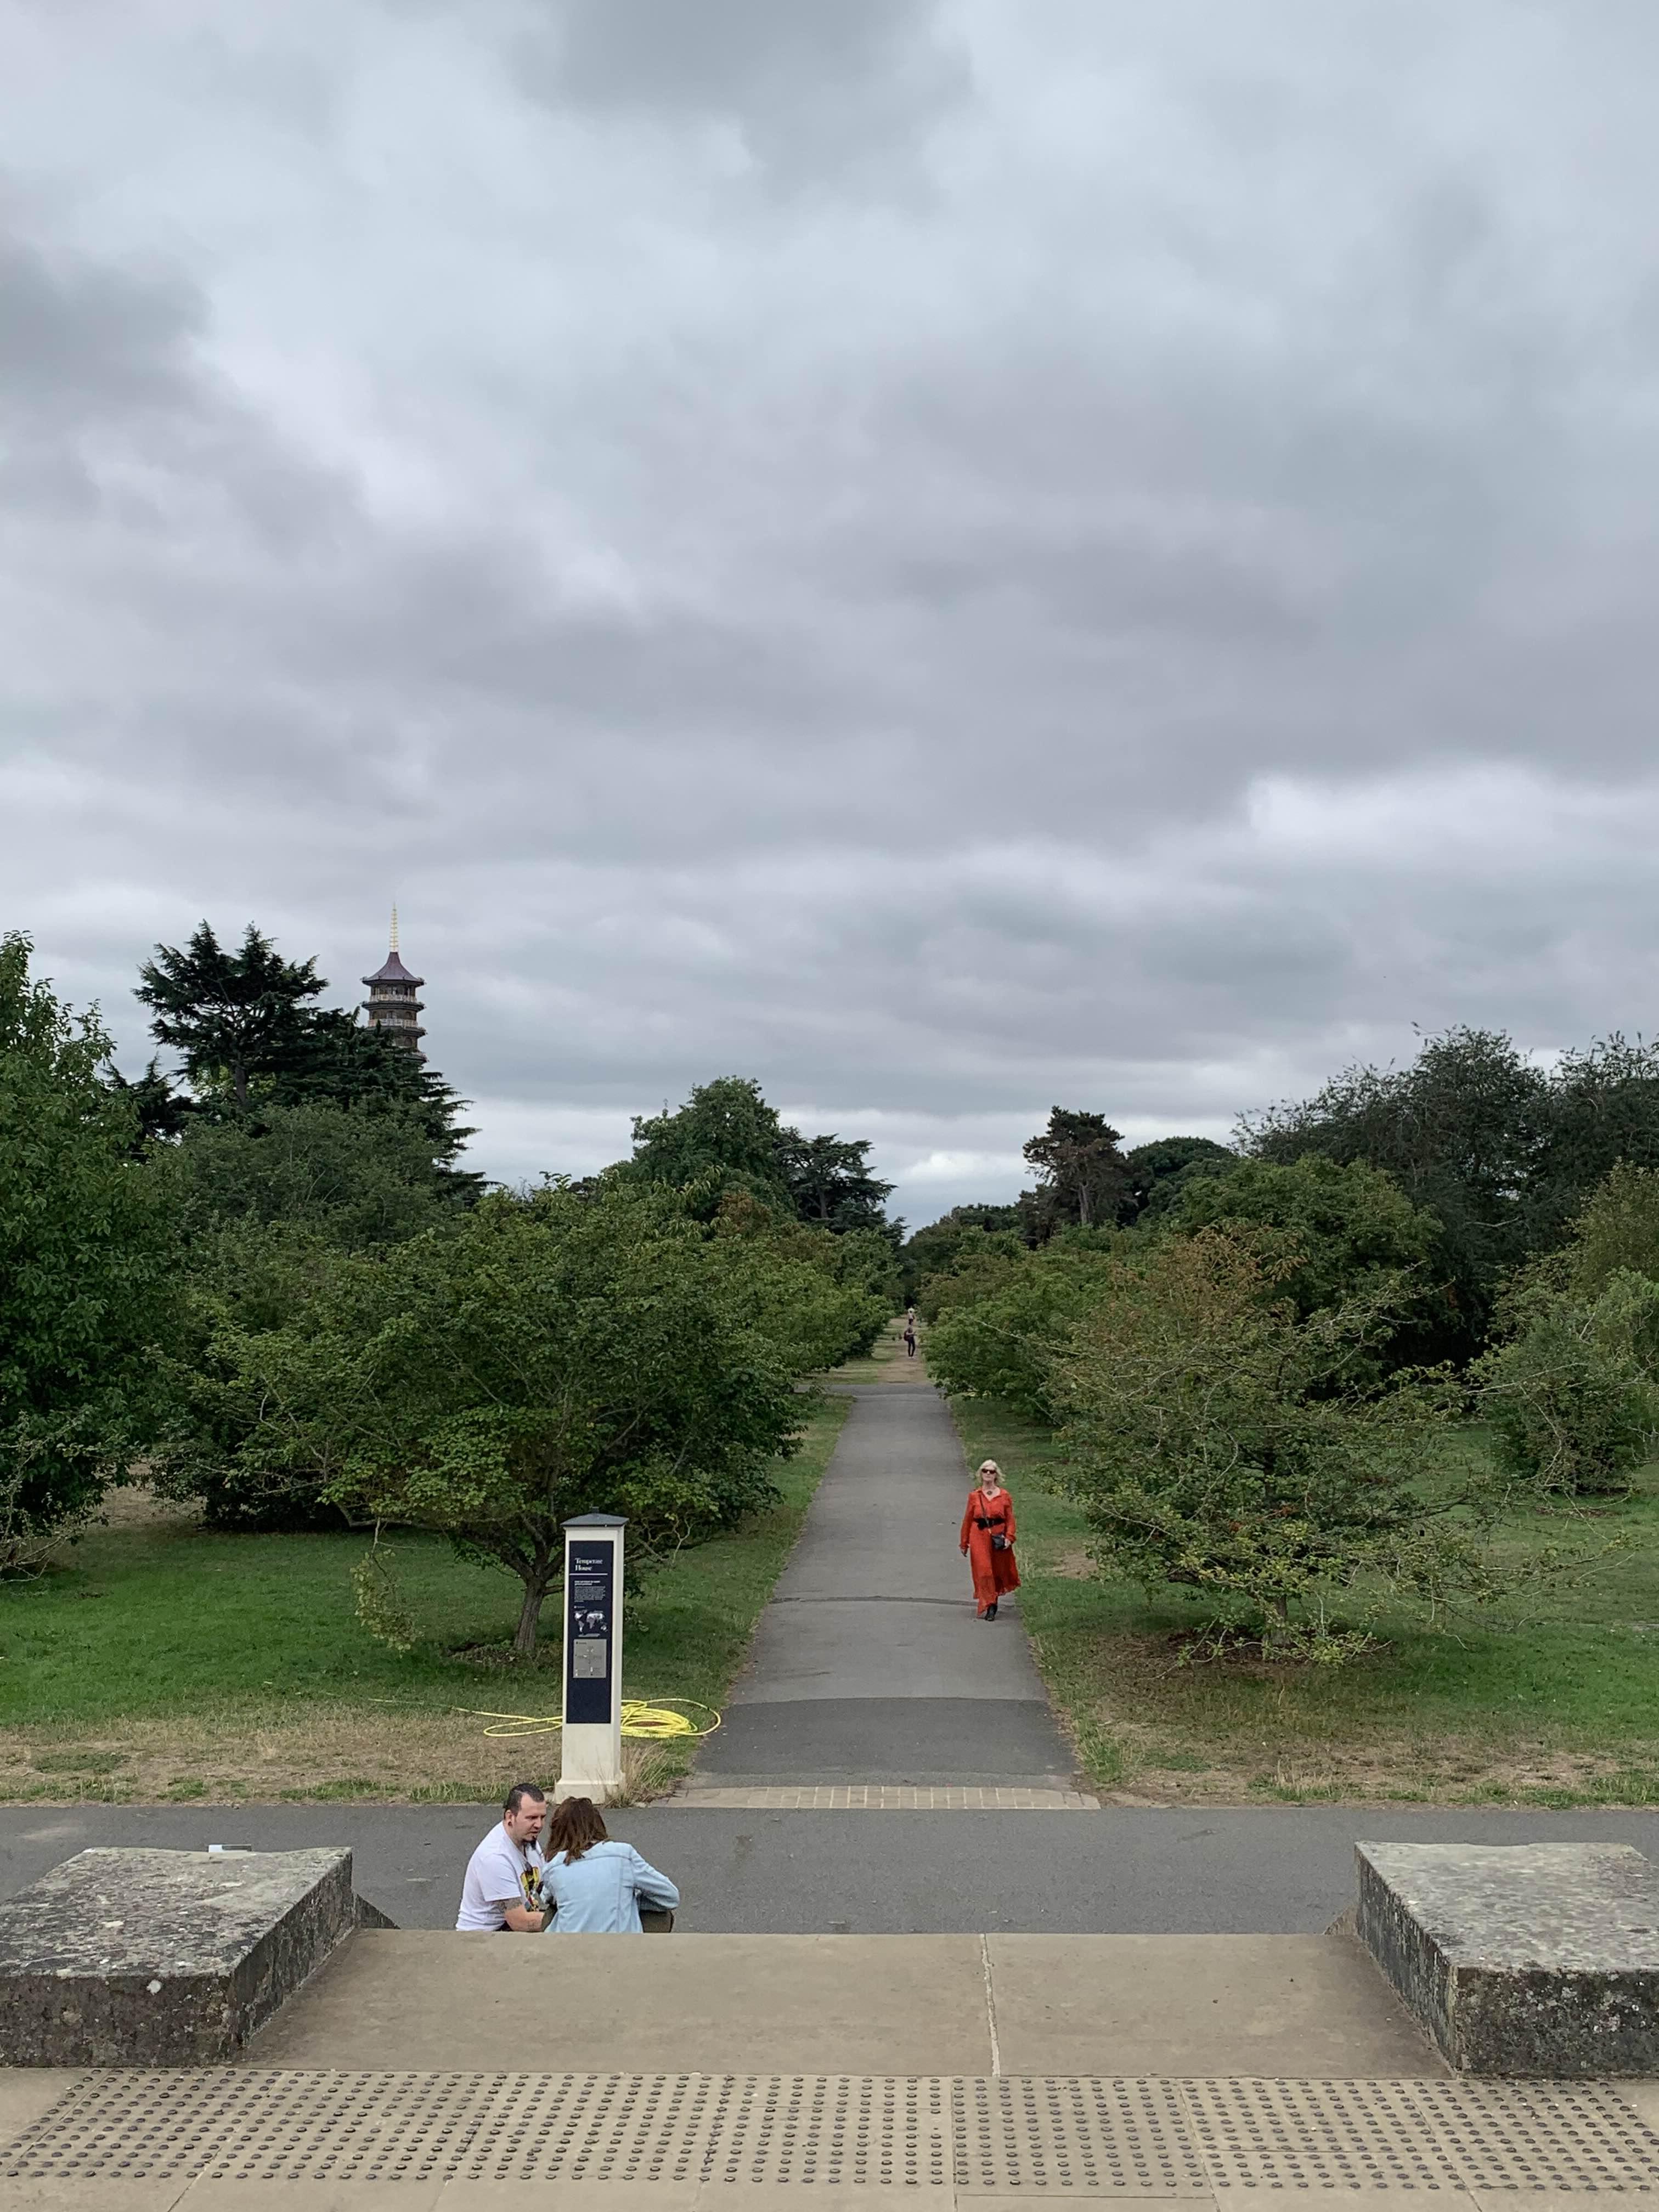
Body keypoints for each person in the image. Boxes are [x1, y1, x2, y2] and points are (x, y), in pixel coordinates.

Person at [542, 1796, 680, 1932]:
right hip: (620, 1943)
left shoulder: (554, 1866)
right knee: (662, 1915)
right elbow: (670, 1896)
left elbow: (547, 1897)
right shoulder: (623, 1854)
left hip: (570, 1943)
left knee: (552, 1912)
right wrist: (632, 1900)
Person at [455, 1781, 550, 1931]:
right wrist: (568, 1919)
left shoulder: (528, 1840)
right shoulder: (495, 1858)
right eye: (532, 1818)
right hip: (484, 1937)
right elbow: (521, 1922)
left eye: (542, 1817)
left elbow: (546, 1888)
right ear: (510, 1817)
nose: (539, 1825)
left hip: (508, 1930)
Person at [960, 1459, 1019, 1621]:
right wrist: (964, 1542)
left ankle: (994, 1600)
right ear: (981, 1474)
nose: (988, 1474)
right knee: (984, 1570)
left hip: (998, 1535)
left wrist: (1009, 1537)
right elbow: (968, 1519)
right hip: (979, 1535)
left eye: (991, 1471)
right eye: (985, 1471)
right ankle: (989, 1604)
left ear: (996, 1475)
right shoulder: (975, 1496)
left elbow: (1010, 1519)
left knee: (997, 1571)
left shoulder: (1004, 1496)